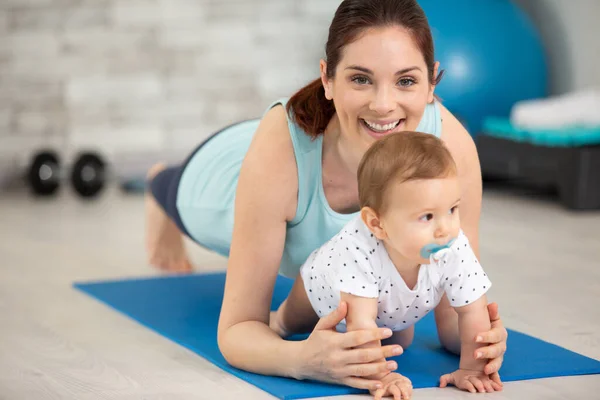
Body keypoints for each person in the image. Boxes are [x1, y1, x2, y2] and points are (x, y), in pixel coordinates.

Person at [145, 0, 507, 391]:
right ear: (328, 79)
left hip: (297, 144)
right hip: (224, 180)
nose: (384, 105)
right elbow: (238, 329)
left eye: (405, 81)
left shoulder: (451, 150)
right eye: (360, 79)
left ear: (432, 82)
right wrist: (305, 360)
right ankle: (157, 183)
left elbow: (453, 312)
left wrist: (482, 343)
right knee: (172, 188)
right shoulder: (280, 151)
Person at [270, 131, 503, 399]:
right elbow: (360, 322)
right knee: (291, 322)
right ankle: (279, 321)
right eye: (427, 216)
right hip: (321, 291)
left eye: (452, 209)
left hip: (388, 305)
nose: (445, 229)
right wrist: (381, 375)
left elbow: (473, 310)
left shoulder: (453, 243)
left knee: (399, 341)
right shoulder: (356, 250)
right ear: (377, 224)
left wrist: (474, 368)